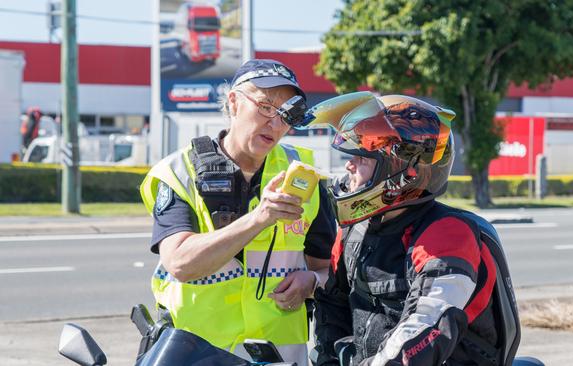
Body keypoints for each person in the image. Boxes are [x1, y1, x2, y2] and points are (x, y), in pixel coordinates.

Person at [139, 59, 336, 365]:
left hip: (278, 354)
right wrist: (260, 218)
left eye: (287, 114)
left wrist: (311, 281)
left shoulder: (305, 177)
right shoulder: (179, 171)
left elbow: (329, 270)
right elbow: (180, 262)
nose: (276, 123)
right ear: (233, 102)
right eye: (266, 107)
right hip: (196, 351)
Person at [309, 92, 521, 366]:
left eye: (362, 157)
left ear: (401, 170)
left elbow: (427, 324)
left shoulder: (446, 233)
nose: (349, 165)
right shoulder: (353, 232)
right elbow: (332, 306)